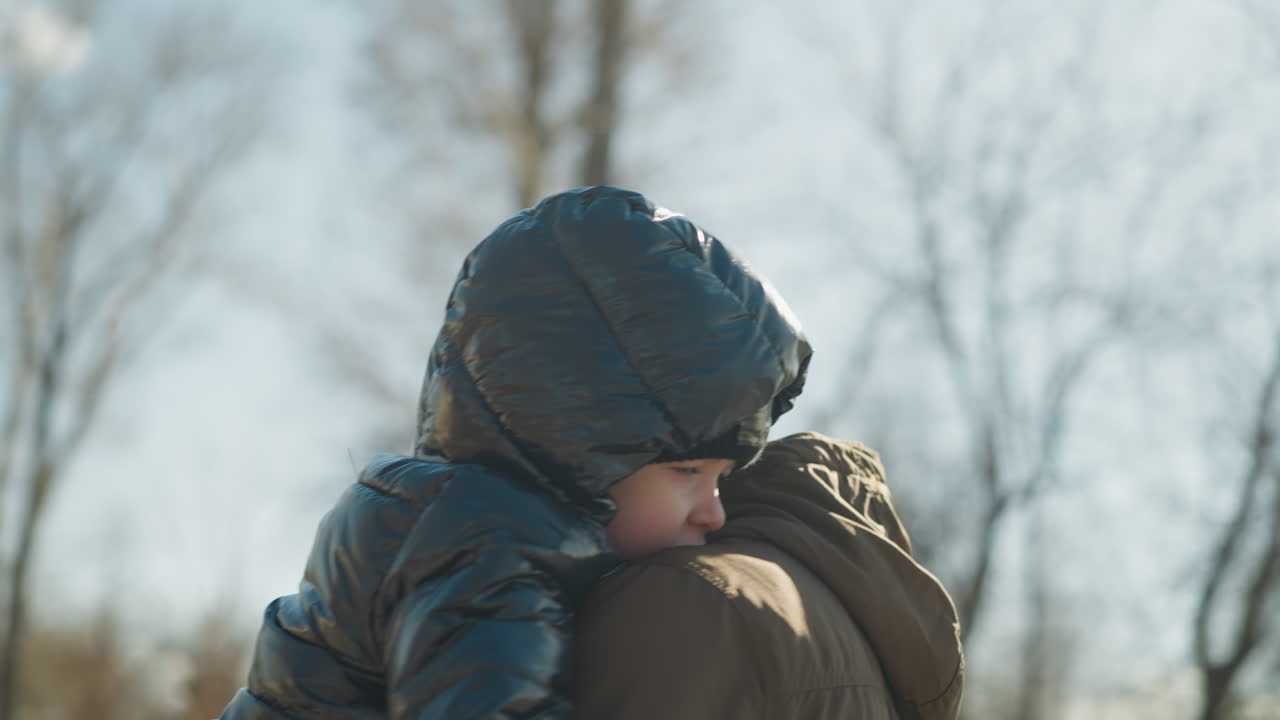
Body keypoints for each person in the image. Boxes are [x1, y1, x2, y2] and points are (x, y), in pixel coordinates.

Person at [217, 186, 811, 719]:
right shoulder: (487, 552)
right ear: (577, 446)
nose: (714, 511)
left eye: (720, 478)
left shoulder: (469, 525)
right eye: (687, 471)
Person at [574, 432, 965, 720]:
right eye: (688, 471)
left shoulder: (688, 596)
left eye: (712, 475)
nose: (715, 515)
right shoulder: (861, 621)